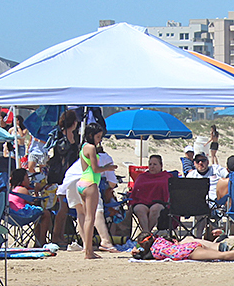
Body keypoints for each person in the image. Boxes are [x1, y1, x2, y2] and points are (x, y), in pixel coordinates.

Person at [74, 123, 118, 259]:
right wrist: (107, 168)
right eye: (98, 136)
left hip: (81, 182)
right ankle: (89, 251)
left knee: (86, 217)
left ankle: (88, 249)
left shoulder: (83, 148)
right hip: (90, 183)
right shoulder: (92, 148)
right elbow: (95, 169)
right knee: (90, 218)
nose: (99, 139)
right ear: (91, 135)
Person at [49, 110, 80, 245]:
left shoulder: (59, 134)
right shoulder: (68, 137)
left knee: (63, 208)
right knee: (62, 208)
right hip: (64, 176)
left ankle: (59, 235)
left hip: (61, 175)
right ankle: (57, 236)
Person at [8, 168, 53, 247]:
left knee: (38, 214)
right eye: (27, 178)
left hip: (11, 216)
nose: (29, 180)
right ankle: (42, 240)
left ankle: (37, 241)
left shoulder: (12, 189)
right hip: (21, 215)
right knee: (45, 213)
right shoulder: (22, 190)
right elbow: (33, 202)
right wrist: (36, 191)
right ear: (22, 180)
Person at [128, 154, 172, 234]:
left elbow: (169, 194)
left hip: (160, 203)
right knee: (140, 209)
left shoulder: (166, 177)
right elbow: (135, 193)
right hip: (142, 202)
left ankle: (146, 233)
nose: (152, 166)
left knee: (155, 209)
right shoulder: (142, 177)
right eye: (150, 164)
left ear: (161, 165)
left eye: (155, 164)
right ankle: (147, 233)